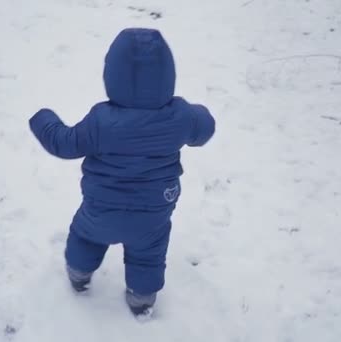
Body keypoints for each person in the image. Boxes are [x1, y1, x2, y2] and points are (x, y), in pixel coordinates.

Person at [29, 27, 215, 317]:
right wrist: (199, 113)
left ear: (112, 75)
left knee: (86, 236)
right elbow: (205, 130)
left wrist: (44, 120)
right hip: (153, 213)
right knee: (149, 254)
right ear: (168, 75)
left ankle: (79, 274)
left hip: (101, 210)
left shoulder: (100, 122)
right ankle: (142, 298)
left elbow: (62, 143)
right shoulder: (181, 116)